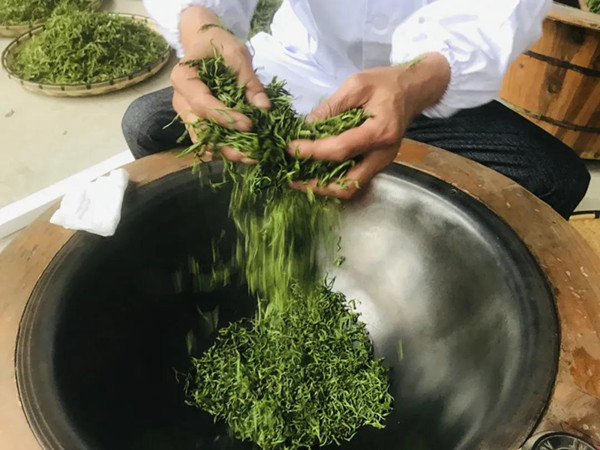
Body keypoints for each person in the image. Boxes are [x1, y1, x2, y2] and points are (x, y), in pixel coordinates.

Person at [122, 0, 590, 219]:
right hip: (303, 62)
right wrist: (202, 25)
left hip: (427, 78)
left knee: (553, 178)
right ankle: (235, 238)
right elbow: (201, 16)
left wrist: (416, 83)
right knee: (150, 124)